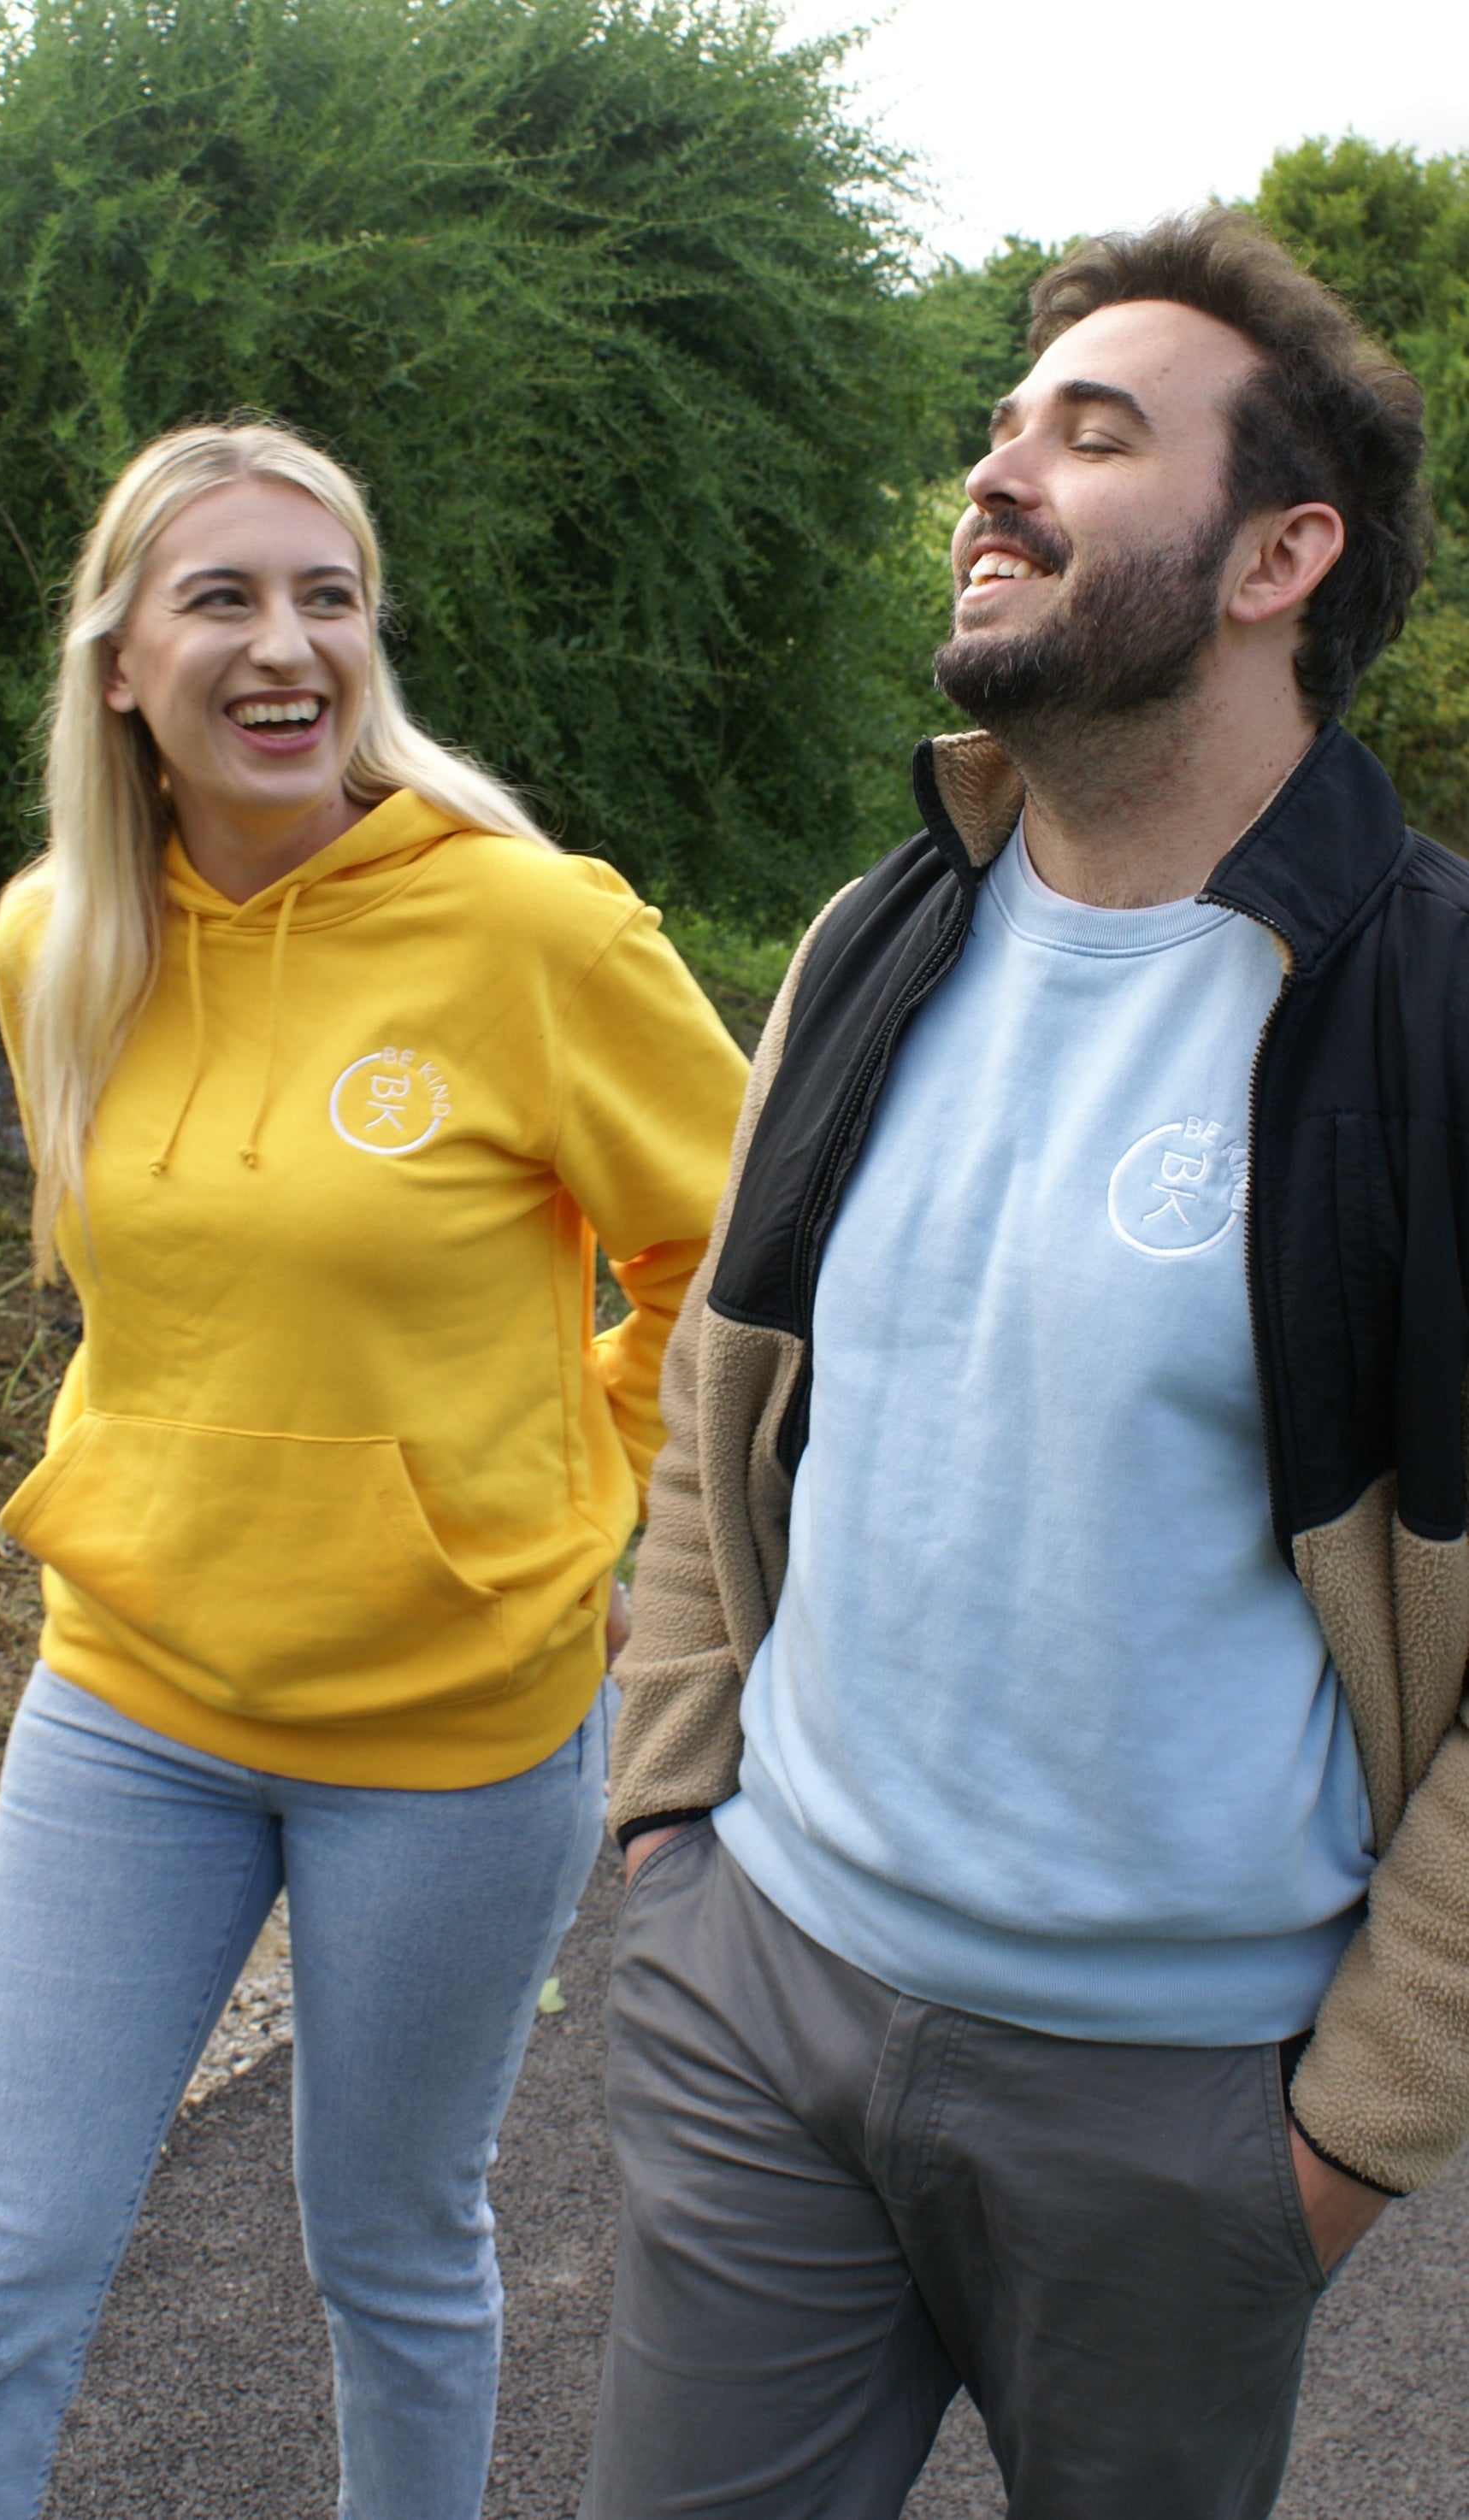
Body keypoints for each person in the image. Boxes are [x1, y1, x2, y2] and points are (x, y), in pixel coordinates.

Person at [585, 209, 1469, 2520]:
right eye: (999, 428)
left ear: (1283, 552)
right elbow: (720, 1402)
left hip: (1178, 2115)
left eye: (1090, 434)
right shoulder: (880, 935)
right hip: (760, 1997)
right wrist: (675, 1826)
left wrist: (1346, 2133)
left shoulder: (1428, 1016)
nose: (997, 476)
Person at [0, 419, 746, 2520]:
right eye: (224, 598)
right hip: (129, 1697)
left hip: (450, 1733)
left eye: (326, 595)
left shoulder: (532, 934)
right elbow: (149, 1296)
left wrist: (596, 1495)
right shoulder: (54, 942)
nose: (287, 645)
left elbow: (735, 1257)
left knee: (392, 2255)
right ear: (119, 666)